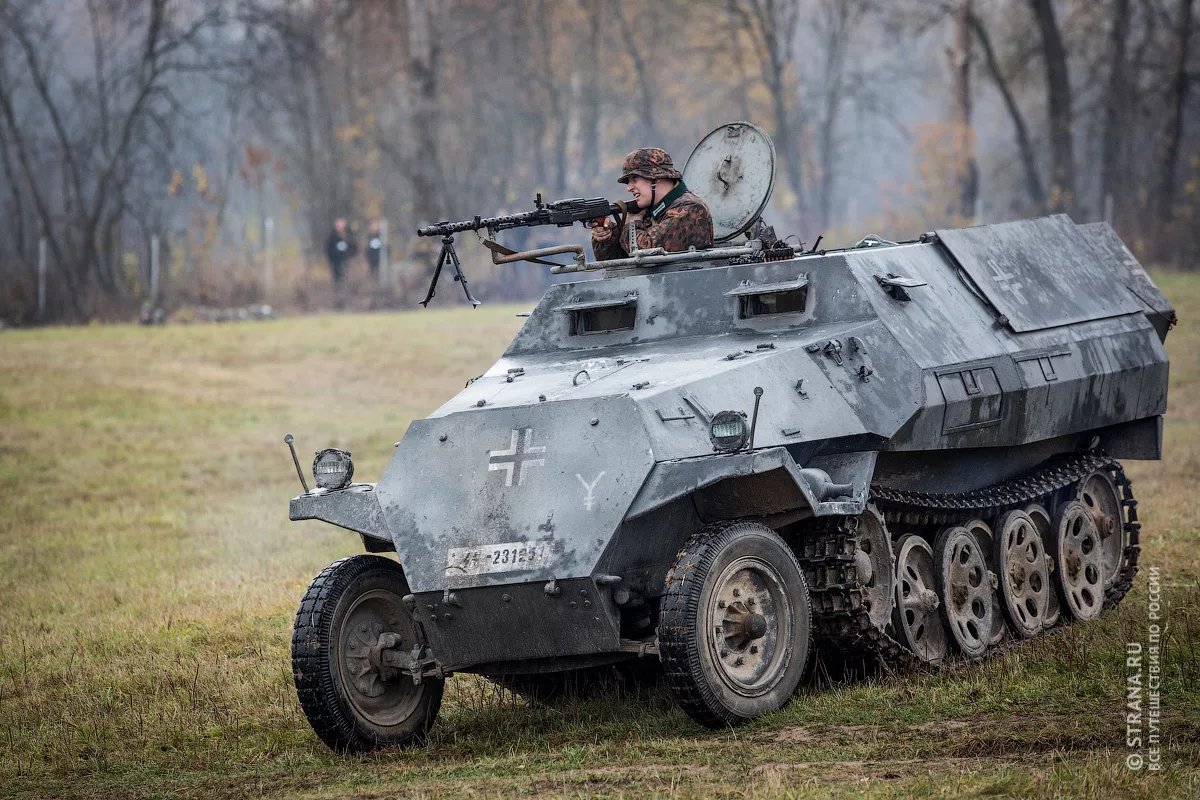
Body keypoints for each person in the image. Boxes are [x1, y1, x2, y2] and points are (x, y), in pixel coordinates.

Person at [590, 147, 713, 261]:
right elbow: (615, 260)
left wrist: (632, 224)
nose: (629, 187)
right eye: (628, 181)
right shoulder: (651, 211)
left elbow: (646, 256)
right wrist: (608, 237)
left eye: (634, 179)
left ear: (656, 177)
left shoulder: (690, 210)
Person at [324, 218, 357, 286]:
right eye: (339, 226)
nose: (341, 228)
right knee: (337, 277)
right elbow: (328, 249)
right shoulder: (332, 236)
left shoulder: (349, 236)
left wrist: (350, 255)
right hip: (336, 260)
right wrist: (333, 256)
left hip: (347, 260)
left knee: (347, 275)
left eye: (342, 226)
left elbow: (354, 247)